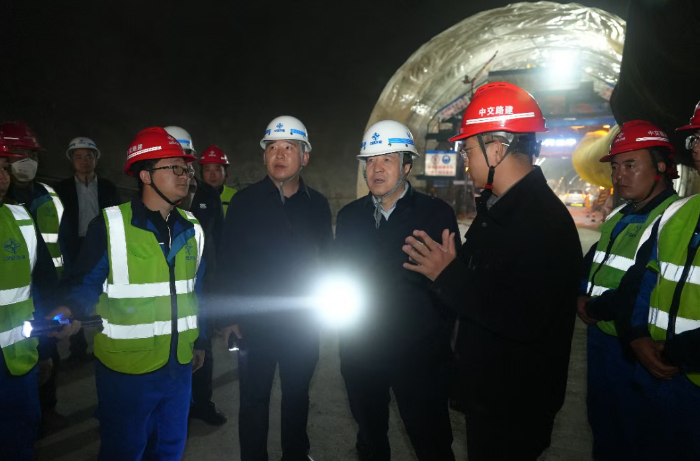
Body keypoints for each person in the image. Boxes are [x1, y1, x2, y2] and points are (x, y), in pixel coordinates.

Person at [401, 82, 582, 461]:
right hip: (490, 395)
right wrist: (451, 271)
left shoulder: (542, 222)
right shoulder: (499, 210)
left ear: (496, 149)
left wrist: (449, 275)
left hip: (516, 406)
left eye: (468, 149)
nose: (466, 160)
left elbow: (525, 317)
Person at [60, 127, 207, 461]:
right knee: (124, 450)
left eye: (186, 168)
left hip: (178, 366)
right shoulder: (110, 225)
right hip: (126, 372)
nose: (185, 175)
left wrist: (200, 341)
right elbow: (85, 283)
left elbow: (198, 291)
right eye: (175, 167)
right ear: (145, 175)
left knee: (170, 448)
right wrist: (69, 310)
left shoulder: (193, 229)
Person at [335, 120, 459, 461]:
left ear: (406, 166)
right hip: (362, 350)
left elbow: (453, 286)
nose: (376, 168)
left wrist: (439, 339)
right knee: (370, 437)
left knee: (431, 442)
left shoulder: (436, 215)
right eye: (370, 161)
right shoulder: (349, 217)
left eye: (387, 159)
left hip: (420, 355)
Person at [216, 115, 332, 461]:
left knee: (297, 395)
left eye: (289, 147)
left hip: (303, 322)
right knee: (253, 398)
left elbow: (327, 259)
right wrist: (229, 318)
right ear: (264, 155)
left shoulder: (317, 205)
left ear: (304, 156)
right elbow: (228, 262)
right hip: (255, 323)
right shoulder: (244, 202)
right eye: (272, 148)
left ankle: (295, 454)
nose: (279, 154)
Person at [601, 102, 700, 461]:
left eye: (630, 164)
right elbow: (642, 281)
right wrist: (637, 337)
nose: (698, 149)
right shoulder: (679, 214)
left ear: (661, 167)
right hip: (652, 366)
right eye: (696, 140)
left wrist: (677, 352)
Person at [576, 120, 679, 460]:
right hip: (601, 341)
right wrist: (579, 293)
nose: (619, 175)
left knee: (635, 439)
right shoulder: (620, 215)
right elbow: (592, 262)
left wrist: (592, 308)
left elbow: (642, 285)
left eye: (630, 165)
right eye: (616, 166)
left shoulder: (671, 218)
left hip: (634, 346)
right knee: (604, 431)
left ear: (661, 167)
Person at [0, 136, 80, 461]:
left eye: (4, 168)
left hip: (17, 356)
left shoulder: (20, 219)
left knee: (21, 431)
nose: (3, 176)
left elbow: (41, 283)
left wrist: (48, 339)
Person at [164, 126, 227, 426]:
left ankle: (201, 403)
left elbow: (220, 240)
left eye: (185, 157)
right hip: (165, 287)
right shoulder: (154, 198)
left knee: (202, 347)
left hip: (203, 284)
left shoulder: (208, 195)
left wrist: (218, 282)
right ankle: (173, 408)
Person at [55, 136, 121, 365]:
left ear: (96, 159)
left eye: (88, 156)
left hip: (101, 243)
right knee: (75, 290)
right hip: (73, 244)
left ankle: (109, 340)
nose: (84, 161)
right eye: (79, 157)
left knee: (104, 289)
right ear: (72, 160)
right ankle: (78, 347)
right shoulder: (61, 189)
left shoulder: (108, 188)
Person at [199, 145, 237, 217]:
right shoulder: (194, 197)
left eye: (217, 169)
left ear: (225, 172)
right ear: (201, 173)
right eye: (207, 170)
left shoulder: (235, 197)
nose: (212, 175)